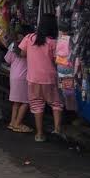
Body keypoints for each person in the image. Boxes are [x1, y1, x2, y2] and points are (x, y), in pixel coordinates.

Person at [19, 14, 62, 142]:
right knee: (56, 103)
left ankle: (39, 134)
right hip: (50, 78)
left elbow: (22, 53)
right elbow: (57, 60)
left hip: (33, 78)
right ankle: (57, 130)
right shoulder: (53, 43)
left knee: (37, 104)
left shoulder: (29, 38)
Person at [4, 27, 32, 133]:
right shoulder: (28, 46)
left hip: (13, 75)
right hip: (23, 77)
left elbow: (7, 60)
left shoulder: (12, 45)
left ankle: (12, 122)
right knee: (25, 101)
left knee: (16, 102)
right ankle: (18, 124)